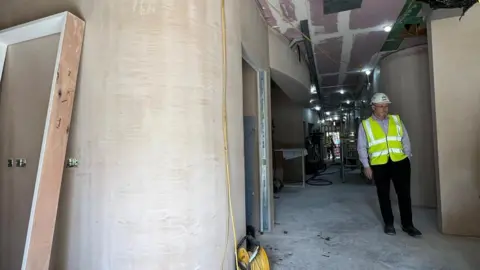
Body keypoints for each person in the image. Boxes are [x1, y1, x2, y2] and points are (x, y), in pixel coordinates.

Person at [357, 93, 422, 237]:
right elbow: (361, 147)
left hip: (400, 162)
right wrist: (366, 166)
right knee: (383, 195)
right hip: (379, 164)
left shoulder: (396, 120)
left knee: (404, 195)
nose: (384, 109)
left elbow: (405, 139)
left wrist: (407, 157)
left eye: (386, 106)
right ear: (373, 107)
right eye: (381, 106)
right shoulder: (365, 125)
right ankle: (389, 224)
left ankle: (408, 225)